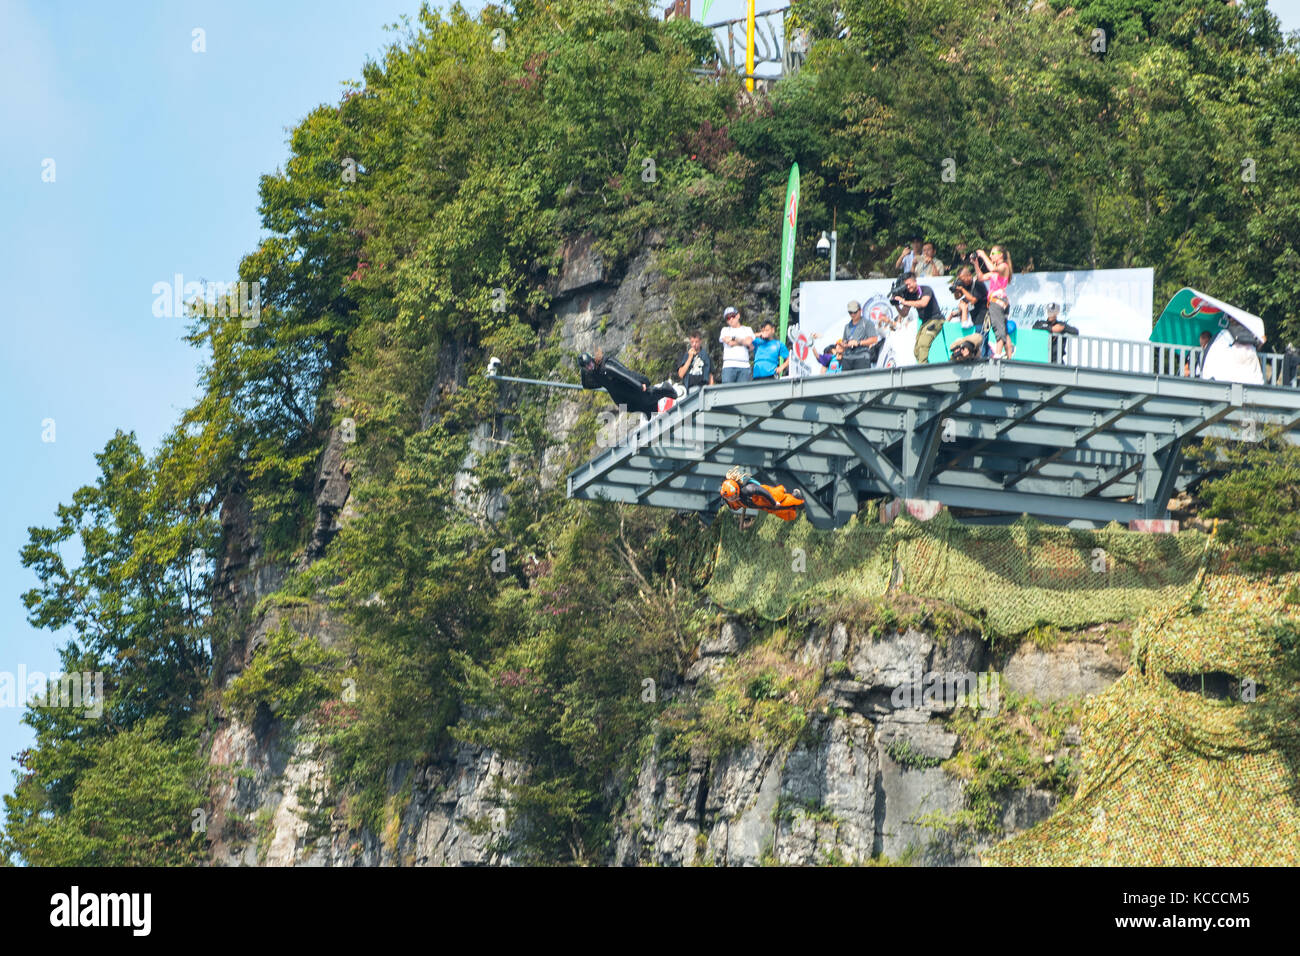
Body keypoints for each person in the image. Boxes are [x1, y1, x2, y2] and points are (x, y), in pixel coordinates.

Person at [578, 350, 678, 418]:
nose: (590, 367)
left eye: (590, 364)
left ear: (592, 360)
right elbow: (587, 385)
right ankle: (651, 411)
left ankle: (665, 389)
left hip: (630, 385)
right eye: (587, 367)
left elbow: (624, 375)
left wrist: (639, 385)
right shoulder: (594, 374)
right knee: (629, 407)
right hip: (620, 395)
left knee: (645, 397)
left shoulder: (606, 367)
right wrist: (583, 373)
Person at [893, 272, 944, 364]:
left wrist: (904, 302)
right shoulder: (909, 295)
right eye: (906, 286)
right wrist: (896, 305)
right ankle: (924, 367)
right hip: (925, 322)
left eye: (909, 284)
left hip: (935, 319)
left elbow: (923, 303)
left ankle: (923, 369)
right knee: (917, 350)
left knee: (923, 344)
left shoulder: (926, 289)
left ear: (915, 281)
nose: (908, 287)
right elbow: (904, 313)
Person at [974, 245, 1014, 359]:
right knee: (1004, 329)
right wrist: (976, 263)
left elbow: (991, 269)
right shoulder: (997, 270)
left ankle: (998, 354)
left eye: (993, 253)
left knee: (998, 327)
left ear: (1000, 255)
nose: (991, 256)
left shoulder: (1003, 266)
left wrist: (983, 255)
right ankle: (1009, 356)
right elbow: (981, 277)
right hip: (998, 301)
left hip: (997, 301)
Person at [840, 300, 881, 371]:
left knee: (862, 380)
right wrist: (844, 344)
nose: (852, 314)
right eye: (850, 312)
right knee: (846, 381)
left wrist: (858, 343)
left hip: (862, 357)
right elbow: (844, 341)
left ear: (860, 311)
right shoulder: (847, 326)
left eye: (855, 312)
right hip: (847, 358)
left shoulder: (867, 323)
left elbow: (874, 339)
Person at [718, 306, 754, 383]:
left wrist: (733, 338)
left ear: (738, 315)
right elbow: (730, 343)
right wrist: (743, 342)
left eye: (732, 316)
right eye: (728, 318)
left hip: (744, 366)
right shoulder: (725, 330)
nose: (731, 319)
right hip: (729, 366)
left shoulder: (747, 329)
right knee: (727, 392)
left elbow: (749, 342)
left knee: (743, 393)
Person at [950, 266, 989, 333]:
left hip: (982, 316)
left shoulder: (978, 283)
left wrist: (962, 289)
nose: (962, 282)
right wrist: (955, 290)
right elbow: (957, 297)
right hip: (973, 316)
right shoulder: (966, 284)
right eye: (960, 280)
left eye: (963, 279)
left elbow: (973, 300)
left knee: (980, 335)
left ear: (969, 276)